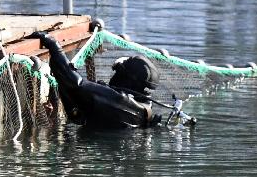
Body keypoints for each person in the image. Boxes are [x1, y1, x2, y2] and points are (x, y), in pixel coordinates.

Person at [33, 32, 161, 129]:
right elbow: (77, 116)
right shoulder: (145, 110)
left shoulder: (119, 99)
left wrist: (54, 46)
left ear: (127, 79)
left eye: (117, 72)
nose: (113, 76)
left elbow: (76, 83)